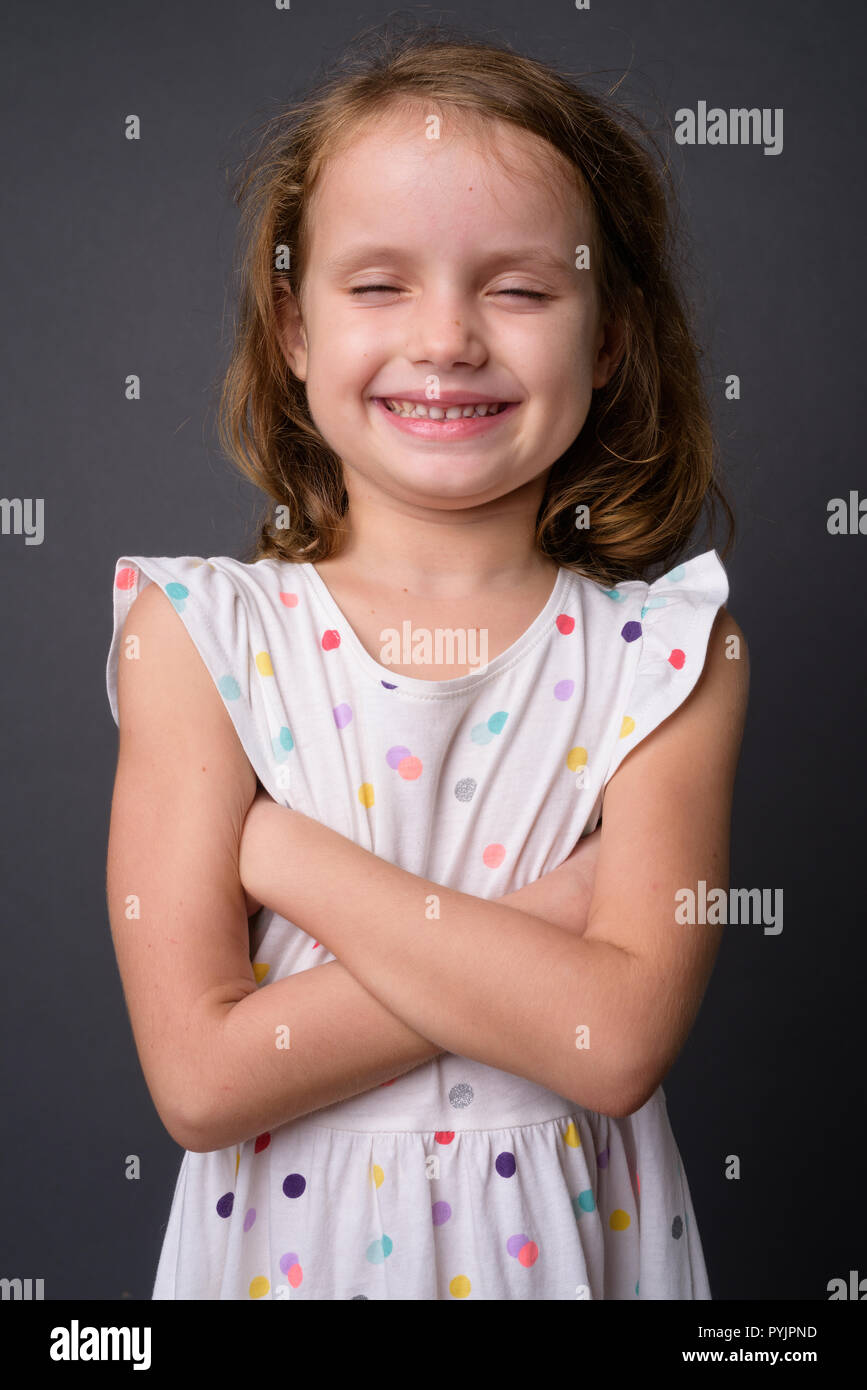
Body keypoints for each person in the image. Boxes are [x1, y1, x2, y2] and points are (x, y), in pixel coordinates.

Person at [105, 23, 749, 1300]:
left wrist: (285, 855)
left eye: (517, 288)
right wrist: (554, 924)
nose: (448, 338)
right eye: (380, 284)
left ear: (609, 338)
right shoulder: (199, 633)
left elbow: (615, 1041)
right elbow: (201, 1079)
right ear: (293, 330)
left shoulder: (673, 653)